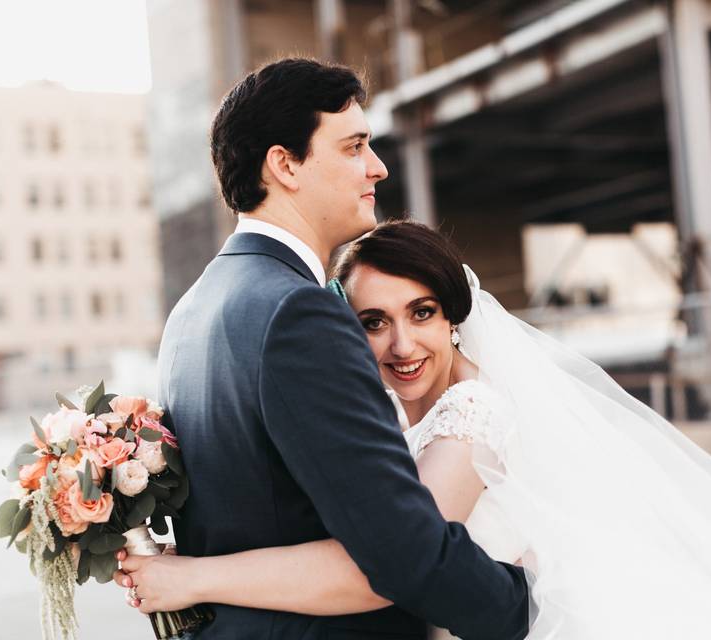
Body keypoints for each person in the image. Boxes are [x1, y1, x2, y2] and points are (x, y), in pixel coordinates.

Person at [116, 221, 711, 639]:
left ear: (453, 319)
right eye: (373, 322)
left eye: (422, 312)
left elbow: (390, 569)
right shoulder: (384, 415)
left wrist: (193, 579)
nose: (401, 344)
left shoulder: (476, 412)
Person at [126, 58, 530, 640]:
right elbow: (399, 550)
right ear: (285, 164)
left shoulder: (191, 311)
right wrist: (533, 606)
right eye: (353, 147)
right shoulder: (297, 312)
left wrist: (187, 579)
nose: (378, 166)